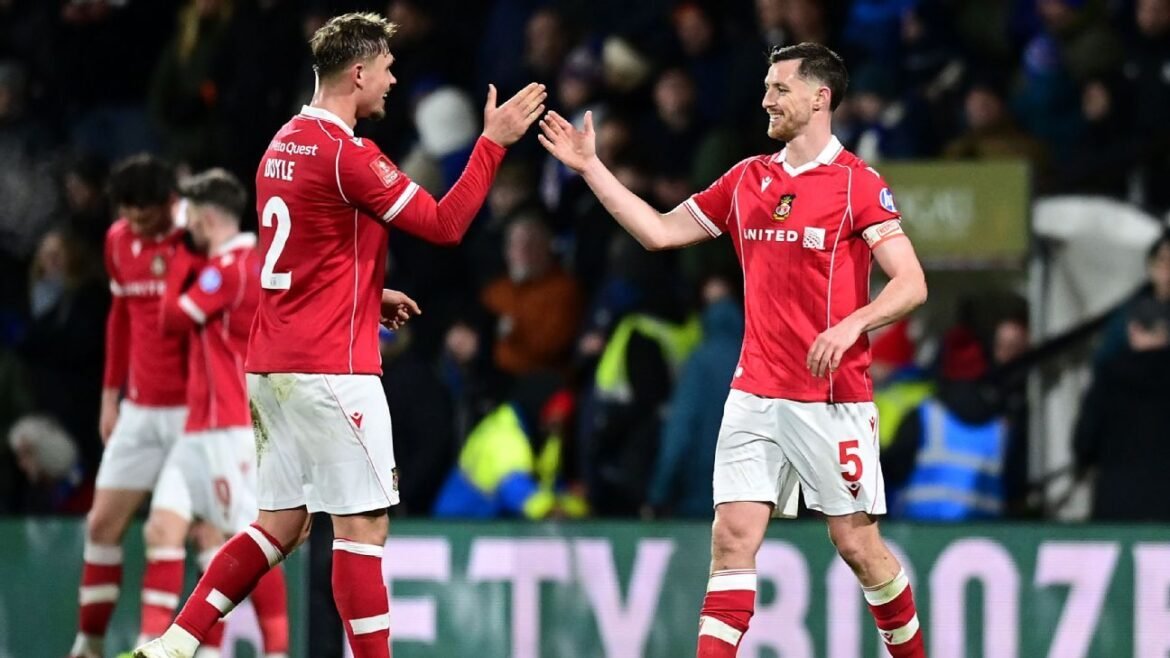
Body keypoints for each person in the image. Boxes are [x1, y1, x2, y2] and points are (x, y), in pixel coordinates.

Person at [134, 12, 545, 658]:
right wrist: (491, 142)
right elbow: (444, 224)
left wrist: (367, 294)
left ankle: (173, 645)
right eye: (385, 68)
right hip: (332, 371)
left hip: (271, 367)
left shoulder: (281, 144)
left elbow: (297, 257)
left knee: (279, 526)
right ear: (357, 73)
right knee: (363, 531)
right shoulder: (349, 156)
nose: (393, 80)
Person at [539, 42, 929, 657]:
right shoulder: (748, 178)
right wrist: (591, 168)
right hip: (754, 392)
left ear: (820, 98)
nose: (766, 99)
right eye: (766, 86)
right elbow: (659, 231)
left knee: (857, 545)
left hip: (831, 396)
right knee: (731, 539)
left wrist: (852, 325)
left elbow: (911, 283)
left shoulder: (858, 184)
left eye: (780, 88)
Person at [137, 169, 289, 656]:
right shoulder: (248, 263)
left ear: (204, 218)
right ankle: (151, 643)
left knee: (248, 543)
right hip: (199, 428)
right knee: (166, 529)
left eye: (190, 217)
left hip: (229, 426)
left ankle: (277, 649)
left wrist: (179, 258)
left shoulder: (229, 269)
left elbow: (170, 317)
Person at [69, 155, 192, 658]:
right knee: (102, 524)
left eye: (147, 213)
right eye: (128, 213)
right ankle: (90, 641)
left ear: (169, 202)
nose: (136, 222)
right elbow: (120, 317)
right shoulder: (117, 241)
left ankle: (151, 645)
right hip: (139, 412)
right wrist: (109, 396)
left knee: (170, 533)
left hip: (194, 416)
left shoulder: (197, 238)